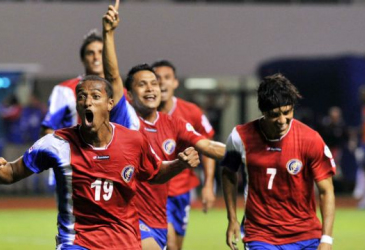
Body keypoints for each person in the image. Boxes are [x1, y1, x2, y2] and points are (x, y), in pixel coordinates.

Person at [0, 75, 201, 250]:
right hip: (77, 242)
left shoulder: (133, 141)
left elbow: (155, 174)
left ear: (109, 104)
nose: (87, 101)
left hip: (125, 241)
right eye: (81, 97)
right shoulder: (56, 144)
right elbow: (12, 172)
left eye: (95, 96)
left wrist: (179, 164)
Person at [102, 4, 225, 250]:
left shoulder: (174, 122)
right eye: (142, 84)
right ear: (129, 93)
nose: (151, 89)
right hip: (126, 217)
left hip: (158, 217)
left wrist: (248, 150)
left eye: (154, 83)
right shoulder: (125, 116)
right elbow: (112, 75)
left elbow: (207, 145)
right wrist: (109, 34)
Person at [222, 73, 336, 250]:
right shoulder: (240, 137)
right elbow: (228, 173)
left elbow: (326, 190)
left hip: (306, 235)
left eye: (287, 112)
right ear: (263, 111)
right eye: (275, 115)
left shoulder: (310, 139)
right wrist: (232, 218)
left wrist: (326, 239)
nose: (282, 121)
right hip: (261, 235)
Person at [151, 60, 216, 250]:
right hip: (154, 192)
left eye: (167, 78)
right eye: (156, 79)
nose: (162, 83)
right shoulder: (140, 113)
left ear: (175, 83)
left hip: (182, 192)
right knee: (168, 243)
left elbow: (208, 148)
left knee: (176, 247)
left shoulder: (191, 112)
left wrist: (208, 185)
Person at [41, 29, 104, 136]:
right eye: (90, 53)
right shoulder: (65, 90)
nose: (96, 57)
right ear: (83, 59)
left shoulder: (120, 92)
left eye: (101, 52)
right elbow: (48, 130)